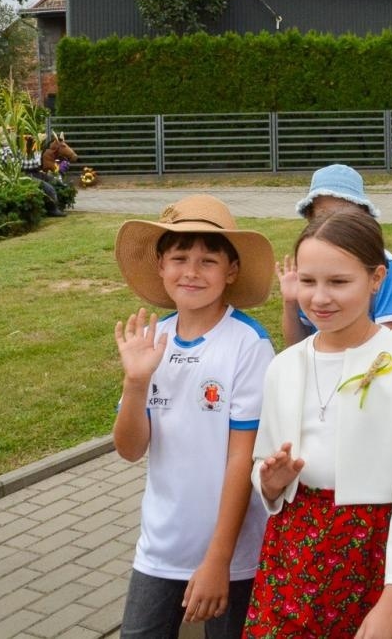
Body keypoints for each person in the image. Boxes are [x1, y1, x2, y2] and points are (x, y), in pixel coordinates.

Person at [246, 209, 392, 637]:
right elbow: (263, 459)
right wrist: (270, 482)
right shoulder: (284, 366)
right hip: (294, 548)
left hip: (376, 550)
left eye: (338, 282)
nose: (320, 298)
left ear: (375, 279)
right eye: (308, 281)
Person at [111, 195, 277, 639]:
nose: (191, 271)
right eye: (180, 258)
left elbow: (242, 460)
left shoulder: (248, 344)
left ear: (231, 271)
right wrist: (135, 383)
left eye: (208, 260)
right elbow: (129, 449)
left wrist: (219, 560)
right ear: (161, 266)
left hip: (231, 554)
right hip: (158, 548)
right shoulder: (153, 338)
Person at [280, 164, 392, 346]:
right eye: (323, 214)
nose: (333, 221)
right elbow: (296, 344)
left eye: (339, 281)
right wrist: (290, 303)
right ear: (311, 216)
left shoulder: (383, 262)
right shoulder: (308, 265)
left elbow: (390, 337)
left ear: (362, 214)